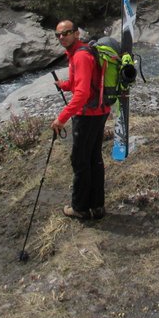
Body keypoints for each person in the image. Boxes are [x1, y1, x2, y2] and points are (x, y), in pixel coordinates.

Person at [51, 20, 110, 220]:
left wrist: (61, 119)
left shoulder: (81, 56)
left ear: (76, 33)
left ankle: (80, 208)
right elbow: (82, 83)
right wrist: (65, 84)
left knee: (80, 161)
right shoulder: (81, 52)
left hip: (88, 115)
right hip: (100, 111)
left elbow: (83, 93)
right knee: (94, 158)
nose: (61, 37)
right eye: (58, 35)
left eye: (66, 33)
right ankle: (97, 206)